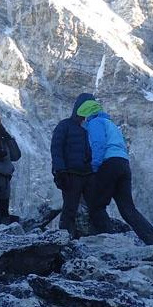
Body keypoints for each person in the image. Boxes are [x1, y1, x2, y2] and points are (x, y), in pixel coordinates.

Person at [79, 100, 153, 250]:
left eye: (83, 117)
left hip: (108, 163)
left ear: (87, 115)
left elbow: (99, 144)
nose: (83, 121)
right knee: (127, 208)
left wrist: (94, 166)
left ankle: (111, 243)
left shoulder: (95, 122)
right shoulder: (110, 124)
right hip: (123, 164)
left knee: (96, 205)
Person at [50, 92, 110, 238]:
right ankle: (64, 238)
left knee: (96, 206)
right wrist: (60, 171)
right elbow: (56, 148)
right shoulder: (65, 125)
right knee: (70, 207)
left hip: (90, 174)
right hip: (71, 174)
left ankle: (106, 236)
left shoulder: (92, 126)